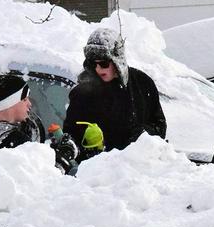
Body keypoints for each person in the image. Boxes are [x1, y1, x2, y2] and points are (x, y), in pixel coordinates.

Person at [63, 27, 166, 160]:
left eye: (104, 63)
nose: (98, 69)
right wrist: (79, 148)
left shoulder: (142, 84)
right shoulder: (82, 93)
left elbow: (160, 126)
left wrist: (144, 134)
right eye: (93, 64)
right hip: (97, 174)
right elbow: (71, 134)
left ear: (117, 60)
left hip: (138, 169)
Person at [0, 74, 78, 173]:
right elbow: (44, 179)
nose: (29, 104)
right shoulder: (16, 142)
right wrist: (63, 157)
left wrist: (50, 153)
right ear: (11, 103)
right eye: (25, 99)